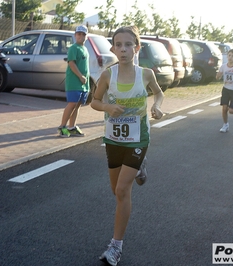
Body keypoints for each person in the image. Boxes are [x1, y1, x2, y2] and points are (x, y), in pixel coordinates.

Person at [90, 26, 164, 266]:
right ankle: (141, 168)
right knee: (116, 192)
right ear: (113, 48)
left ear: (137, 48)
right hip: (113, 139)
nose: (123, 49)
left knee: (123, 191)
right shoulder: (107, 76)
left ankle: (116, 246)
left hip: (138, 139)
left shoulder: (146, 74)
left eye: (128, 44)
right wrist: (107, 108)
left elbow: (159, 94)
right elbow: (95, 101)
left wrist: (157, 106)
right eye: (118, 45)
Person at [57, 25, 90, 137]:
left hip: (83, 83)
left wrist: (85, 79)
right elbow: (71, 63)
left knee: (78, 105)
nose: (81, 36)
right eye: (79, 34)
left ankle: (72, 127)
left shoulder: (84, 49)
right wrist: (80, 76)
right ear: (75, 35)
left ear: (86, 36)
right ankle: (62, 127)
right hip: (74, 82)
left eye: (83, 34)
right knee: (72, 104)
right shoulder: (73, 48)